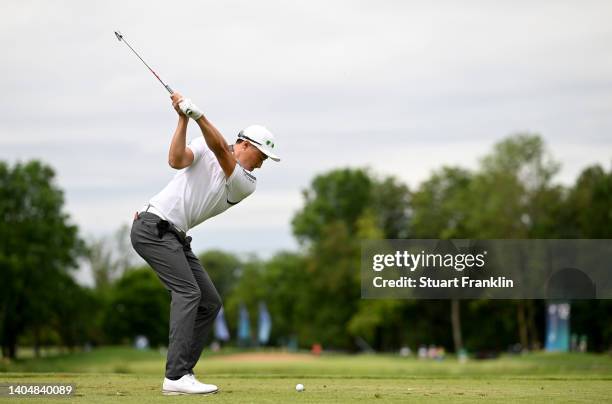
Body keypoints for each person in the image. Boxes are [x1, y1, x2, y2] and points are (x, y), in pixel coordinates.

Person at [130, 92, 280, 395]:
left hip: (174, 236)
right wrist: (183, 119)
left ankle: (183, 371)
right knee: (188, 291)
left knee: (209, 302)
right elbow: (176, 160)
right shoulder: (206, 145)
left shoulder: (245, 183)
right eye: (262, 157)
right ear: (246, 145)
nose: (262, 165)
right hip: (152, 228)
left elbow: (223, 154)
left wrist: (199, 116)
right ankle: (175, 377)